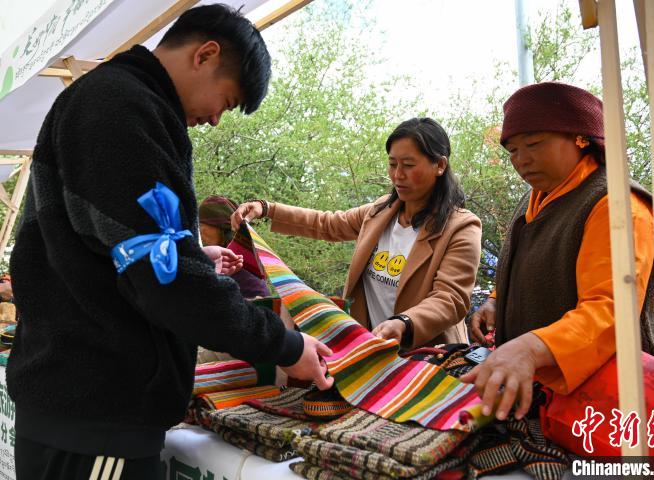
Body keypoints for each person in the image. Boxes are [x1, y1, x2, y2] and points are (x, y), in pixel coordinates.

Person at [7, 5, 332, 479]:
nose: (216, 119)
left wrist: (191, 256)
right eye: (227, 100)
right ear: (206, 54)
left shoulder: (108, 101)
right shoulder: (122, 110)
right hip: (97, 415)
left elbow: (111, 250)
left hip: (79, 409)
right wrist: (285, 345)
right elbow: (170, 284)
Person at [463, 82, 654, 422]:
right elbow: (530, 262)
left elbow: (610, 311)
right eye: (513, 151)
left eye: (534, 144)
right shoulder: (536, 196)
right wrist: (496, 300)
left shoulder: (617, 206)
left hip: (604, 403)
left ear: (581, 138)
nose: (521, 160)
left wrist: (531, 348)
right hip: (538, 391)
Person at [232, 117, 482, 348]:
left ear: (440, 165)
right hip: (371, 351)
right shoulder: (380, 212)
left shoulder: (461, 228)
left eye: (408, 165)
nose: (397, 175)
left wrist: (404, 323)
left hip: (426, 355)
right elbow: (327, 223)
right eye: (392, 164)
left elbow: (450, 299)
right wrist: (267, 209)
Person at [199, 194, 270, 298]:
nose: (200, 233)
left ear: (222, 228)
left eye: (202, 226)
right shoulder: (217, 262)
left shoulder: (242, 268)